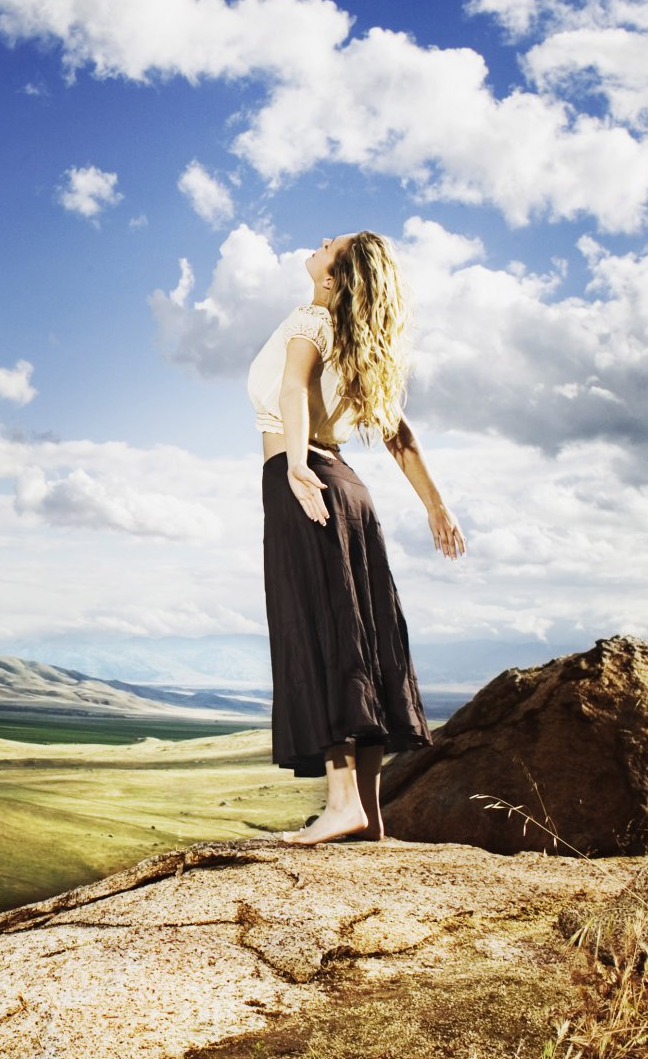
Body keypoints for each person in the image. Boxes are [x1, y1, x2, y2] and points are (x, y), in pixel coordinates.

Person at [247, 231, 465, 846]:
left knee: (319, 636)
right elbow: (401, 436)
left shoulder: (312, 319)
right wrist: (436, 507)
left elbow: (292, 387)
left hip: (307, 482)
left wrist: (292, 465)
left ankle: (342, 805)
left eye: (329, 245)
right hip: (351, 490)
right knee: (361, 640)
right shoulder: (360, 345)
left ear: (333, 280)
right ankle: (367, 813)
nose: (317, 242)